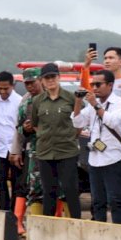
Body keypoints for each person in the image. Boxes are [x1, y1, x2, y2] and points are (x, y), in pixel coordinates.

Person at [73, 69, 121, 224]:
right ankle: (100, 232)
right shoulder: (91, 105)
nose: (94, 88)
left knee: (116, 200)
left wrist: (95, 105)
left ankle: (120, 231)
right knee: (97, 201)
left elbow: (112, 121)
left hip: (113, 158)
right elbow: (77, 122)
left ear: (110, 85)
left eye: (98, 84)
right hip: (95, 158)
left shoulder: (118, 103)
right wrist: (78, 102)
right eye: (92, 84)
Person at [30, 63, 82, 219]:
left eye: (53, 77)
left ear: (59, 77)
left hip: (67, 151)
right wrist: (45, 136)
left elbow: (79, 122)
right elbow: (35, 124)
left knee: (70, 189)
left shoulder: (70, 98)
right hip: (45, 152)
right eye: (47, 78)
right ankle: (48, 227)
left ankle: (76, 224)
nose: (50, 80)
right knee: (49, 192)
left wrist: (71, 136)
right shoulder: (38, 101)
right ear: (42, 81)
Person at [9, 68, 43, 234]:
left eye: (32, 83)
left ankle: (56, 219)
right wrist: (15, 150)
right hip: (31, 148)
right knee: (25, 185)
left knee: (55, 188)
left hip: (53, 148)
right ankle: (18, 222)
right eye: (27, 84)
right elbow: (18, 127)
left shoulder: (50, 97)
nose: (30, 87)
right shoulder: (25, 101)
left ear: (41, 80)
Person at [82, 46, 121, 139]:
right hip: (99, 131)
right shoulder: (98, 82)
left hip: (118, 133)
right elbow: (84, 89)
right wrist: (86, 65)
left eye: (111, 58)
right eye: (105, 58)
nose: (107, 61)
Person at [0, 71, 23, 211]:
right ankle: (3, 212)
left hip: (15, 150)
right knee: (0, 183)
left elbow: (20, 128)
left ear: (12, 86)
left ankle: (15, 214)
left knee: (16, 183)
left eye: (5, 88)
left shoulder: (20, 102)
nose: (2, 91)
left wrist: (18, 149)